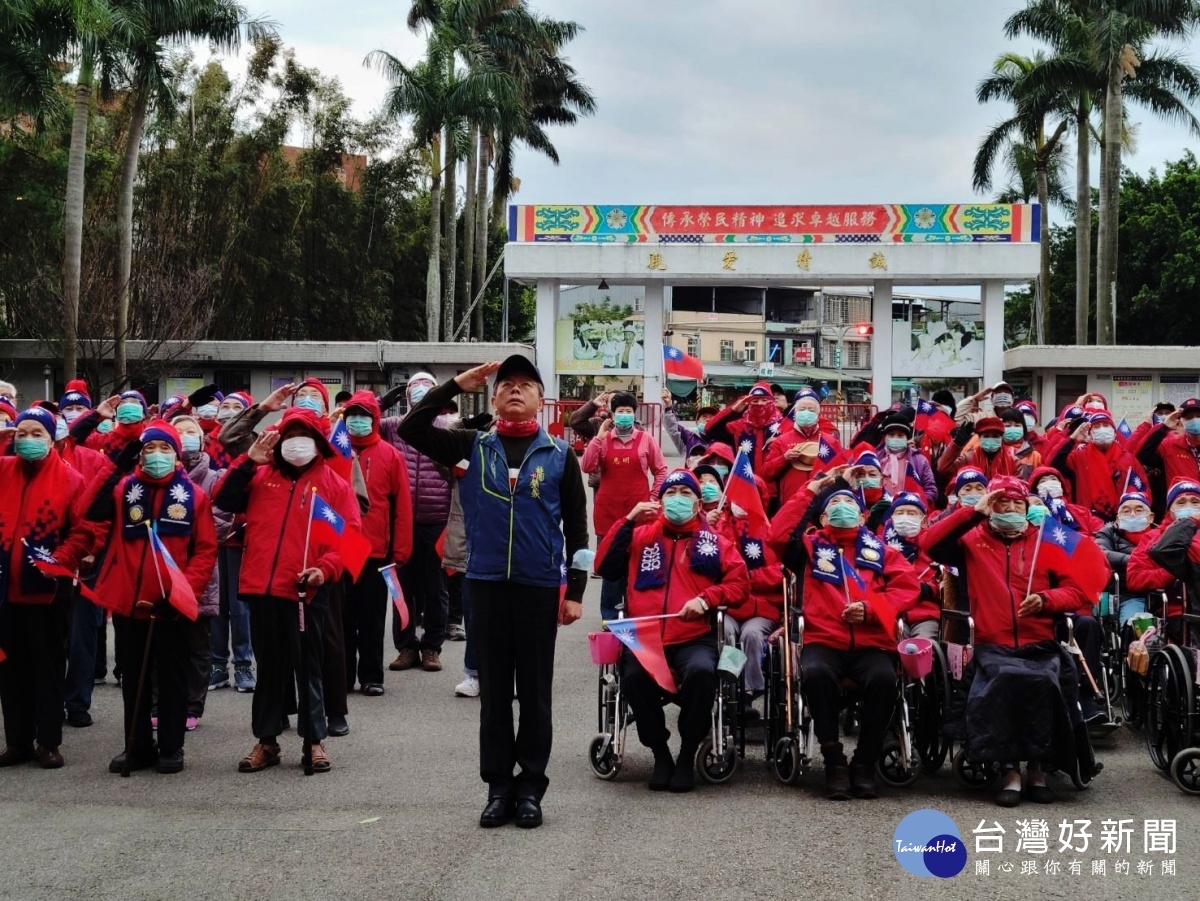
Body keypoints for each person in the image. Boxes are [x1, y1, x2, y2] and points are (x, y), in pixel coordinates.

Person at [396, 356, 590, 829]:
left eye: (527, 386)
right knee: (496, 693)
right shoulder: (471, 445)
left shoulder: (561, 456)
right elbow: (410, 429)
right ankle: (499, 788)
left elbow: (579, 534)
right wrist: (455, 386)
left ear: (542, 401)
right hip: (484, 585)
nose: (517, 391)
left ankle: (531, 789)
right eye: (508, 386)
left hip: (538, 587)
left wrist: (576, 591)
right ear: (495, 397)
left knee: (536, 694)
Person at [921, 476, 1099, 807]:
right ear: (992, 508)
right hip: (993, 644)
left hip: (1040, 642)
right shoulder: (972, 541)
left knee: (1047, 681)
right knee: (1006, 680)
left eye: (1019, 504)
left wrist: (1047, 600)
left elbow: (1076, 590)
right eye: (1004, 504)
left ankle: (1037, 769)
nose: (1012, 509)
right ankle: (1009, 771)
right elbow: (929, 543)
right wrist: (974, 512)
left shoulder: (1046, 541)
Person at [214, 407, 362, 775]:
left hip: (307, 591)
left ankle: (314, 741)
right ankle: (266, 741)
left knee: (308, 667)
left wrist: (323, 570)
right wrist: (248, 461)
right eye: (290, 435)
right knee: (270, 670)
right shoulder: (261, 476)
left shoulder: (333, 485)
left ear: (318, 443)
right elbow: (224, 498)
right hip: (263, 589)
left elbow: (350, 540)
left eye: (306, 435)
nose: (297, 443)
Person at [768, 469, 919, 800]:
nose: (841, 506)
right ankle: (834, 759)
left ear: (863, 515)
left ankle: (864, 762)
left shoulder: (880, 550)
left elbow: (908, 587)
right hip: (824, 641)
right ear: (822, 517)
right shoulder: (808, 549)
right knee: (816, 674)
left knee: (883, 680)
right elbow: (777, 535)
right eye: (834, 503)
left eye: (847, 502)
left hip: (871, 644)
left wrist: (870, 608)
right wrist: (811, 488)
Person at [597, 469, 750, 792]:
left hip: (693, 634)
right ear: (659, 500)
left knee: (701, 672)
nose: (677, 498)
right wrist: (628, 520)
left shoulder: (716, 543)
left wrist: (707, 599)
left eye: (685, 493)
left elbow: (740, 585)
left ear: (697, 505)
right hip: (646, 636)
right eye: (671, 492)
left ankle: (686, 754)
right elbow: (605, 567)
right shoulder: (640, 536)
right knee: (635, 679)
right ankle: (661, 753)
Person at [86, 420, 218, 774]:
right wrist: (116, 466)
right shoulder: (123, 489)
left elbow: (205, 550)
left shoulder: (195, 496)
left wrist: (182, 592)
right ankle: (138, 744)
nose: (156, 456)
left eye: (164, 449)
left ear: (176, 456)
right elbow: (90, 507)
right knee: (134, 676)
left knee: (173, 675)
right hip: (130, 599)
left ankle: (172, 746)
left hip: (171, 602)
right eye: (149, 450)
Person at [0, 407, 97, 769]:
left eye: (36, 434)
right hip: (6, 591)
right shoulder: (2, 469)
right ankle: (18, 741)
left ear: (52, 438)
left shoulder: (71, 479)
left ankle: (49, 742)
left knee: (48, 666)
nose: (27, 440)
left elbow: (84, 531)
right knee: (11, 670)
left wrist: (59, 560)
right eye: (21, 433)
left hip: (48, 591)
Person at [339, 391, 412, 696]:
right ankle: (341, 675)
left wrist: (401, 550)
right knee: (341, 619)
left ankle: (371, 675)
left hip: (375, 550)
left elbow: (402, 506)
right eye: (353, 415)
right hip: (340, 549)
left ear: (375, 419)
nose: (358, 421)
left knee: (370, 618)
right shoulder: (334, 453)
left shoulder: (390, 455)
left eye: (364, 415)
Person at [378, 373, 452, 673]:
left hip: (438, 519)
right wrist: (381, 403)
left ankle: (432, 647)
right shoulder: (393, 427)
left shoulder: (449, 427)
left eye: (427, 387)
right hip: (401, 522)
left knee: (436, 589)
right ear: (405, 395)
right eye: (413, 386)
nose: (419, 390)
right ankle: (406, 646)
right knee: (401, 588)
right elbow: (356, 424)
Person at [581, 391, 668, 621]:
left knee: (638, 562)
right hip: (609, 512)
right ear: (612, 415)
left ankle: (636, 612)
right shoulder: (604, 440)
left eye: (629, 412)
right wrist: (599, 437)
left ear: (634, 414)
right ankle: (610, 617)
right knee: (611, 566)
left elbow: (661, 470)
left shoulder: (646, 439)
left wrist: (653, 498)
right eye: (620, 412)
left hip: (640, 512)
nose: (625, 416)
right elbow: (588, 466)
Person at [714, 473, 781, 715]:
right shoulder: (719, 529)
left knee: (752, 636)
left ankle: (749, 693)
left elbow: (780, 572)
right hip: (728, 607)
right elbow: (716, 571)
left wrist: (748, 579)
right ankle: (730, 687)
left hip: (761, 608)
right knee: (728, 633)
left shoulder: (772, 531)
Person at [1127, 479, 1200, 640]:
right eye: (1181, 502)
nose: (1189, 507)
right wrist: (1174, 571)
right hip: (1174, 610)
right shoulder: (1154, 539)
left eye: (1195, 502)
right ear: (1170, 510)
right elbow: (1134, 578)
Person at [1052, 411, 1151, 522]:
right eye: (1097, 426)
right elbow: (1055, 466)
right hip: (1087, 520)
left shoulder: (1128, 458)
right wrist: (1072, 440)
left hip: (1122, 519)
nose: (1102, 429)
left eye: (1106, 425)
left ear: (1114, 432)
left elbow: (1143, 488)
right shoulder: (1078, 456)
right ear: (1090, 433)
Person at [701, 381, 785, 507]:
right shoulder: (739, 426)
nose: (760, 404)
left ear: (772, 402)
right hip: (744, 488)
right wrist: (733, 409)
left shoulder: (783, 426)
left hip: (775, 493)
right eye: (755, 401)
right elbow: (710, 430)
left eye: (764, 400)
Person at [762, 389, 845, 504]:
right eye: (802, 409)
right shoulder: (781, 441)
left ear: (818, 415)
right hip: (791, 502)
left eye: (811, 410)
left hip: (823, 501)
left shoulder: (830, 441)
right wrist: (784, 458)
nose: (806, 412)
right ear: (795, 414)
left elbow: (841, 471)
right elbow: (767, 473)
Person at [880, 492, 940, 641]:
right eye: (900, 513)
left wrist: (928, 589)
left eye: (912, 513)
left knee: (922, 649)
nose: (905, 517)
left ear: (924, 519)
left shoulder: (934, 544)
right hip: (891, 611)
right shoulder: (878, 546)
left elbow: (947, 580)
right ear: (892, 518)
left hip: (924, 613)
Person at [1094, 491, 1155, 626]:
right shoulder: (1107, 533)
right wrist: (1135, 561)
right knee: (1133, 628)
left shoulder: (1162, 534)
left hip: (1154, 593)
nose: (1132, 514)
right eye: (1126, 511)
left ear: (1150, 517)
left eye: (1139, 510)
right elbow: (1101, 553)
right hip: (1120, 593)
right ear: (1117, 518)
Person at [874, 414, 937, 506]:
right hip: (879, 510)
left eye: (900, 435)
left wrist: (915, 503)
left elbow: (931, 489)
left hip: (908, 512)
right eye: (891, 435)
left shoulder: (920, 460)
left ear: (906, 438)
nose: (895, 438)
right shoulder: (875, 457)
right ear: (885, 437)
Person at [660, 388, 711, 458]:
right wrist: (668, 406)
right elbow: (673, 428)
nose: (708, 420)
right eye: (704, 417)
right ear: (697, 422)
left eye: (712, 418)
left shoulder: (722, 440)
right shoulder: (688, 438)